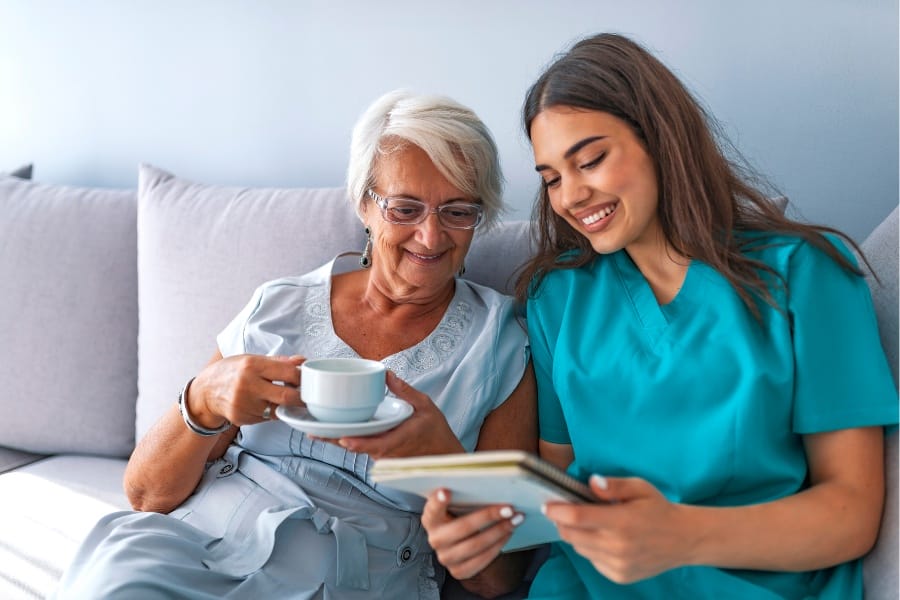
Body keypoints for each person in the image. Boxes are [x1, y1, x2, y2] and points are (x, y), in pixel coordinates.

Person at [420, 33, 898, 599]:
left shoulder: (806, 276)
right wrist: (480, 537)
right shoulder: (557, 298)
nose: (570, 195)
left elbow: (851, 512)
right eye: (551, 178)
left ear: (661, 140)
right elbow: (554, 490)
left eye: (590, 160)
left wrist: (682, 536)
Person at [52, 89, 537, 599]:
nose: (432, 235)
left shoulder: (499, 346)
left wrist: (442, 460)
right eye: (405, 208)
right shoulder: (278, 306)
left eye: (458, 211)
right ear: (364, 203)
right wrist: (202, 399)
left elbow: (496, 578)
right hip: (200, 545)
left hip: (351, 580)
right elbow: (147, 495)